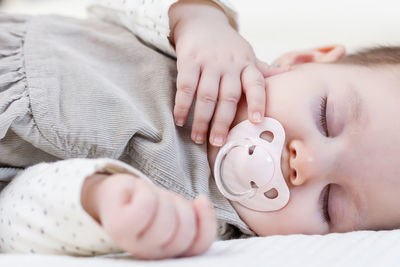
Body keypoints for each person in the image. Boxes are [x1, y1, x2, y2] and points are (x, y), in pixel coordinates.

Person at [1, 0, 400, 260]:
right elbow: (105, 9)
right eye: (325, 116)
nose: (305, 162)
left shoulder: (197, 220)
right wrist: (196, 17)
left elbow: (14, 214)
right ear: (302, 59)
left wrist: (98, 200)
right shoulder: (211, 49)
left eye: (330, 203)